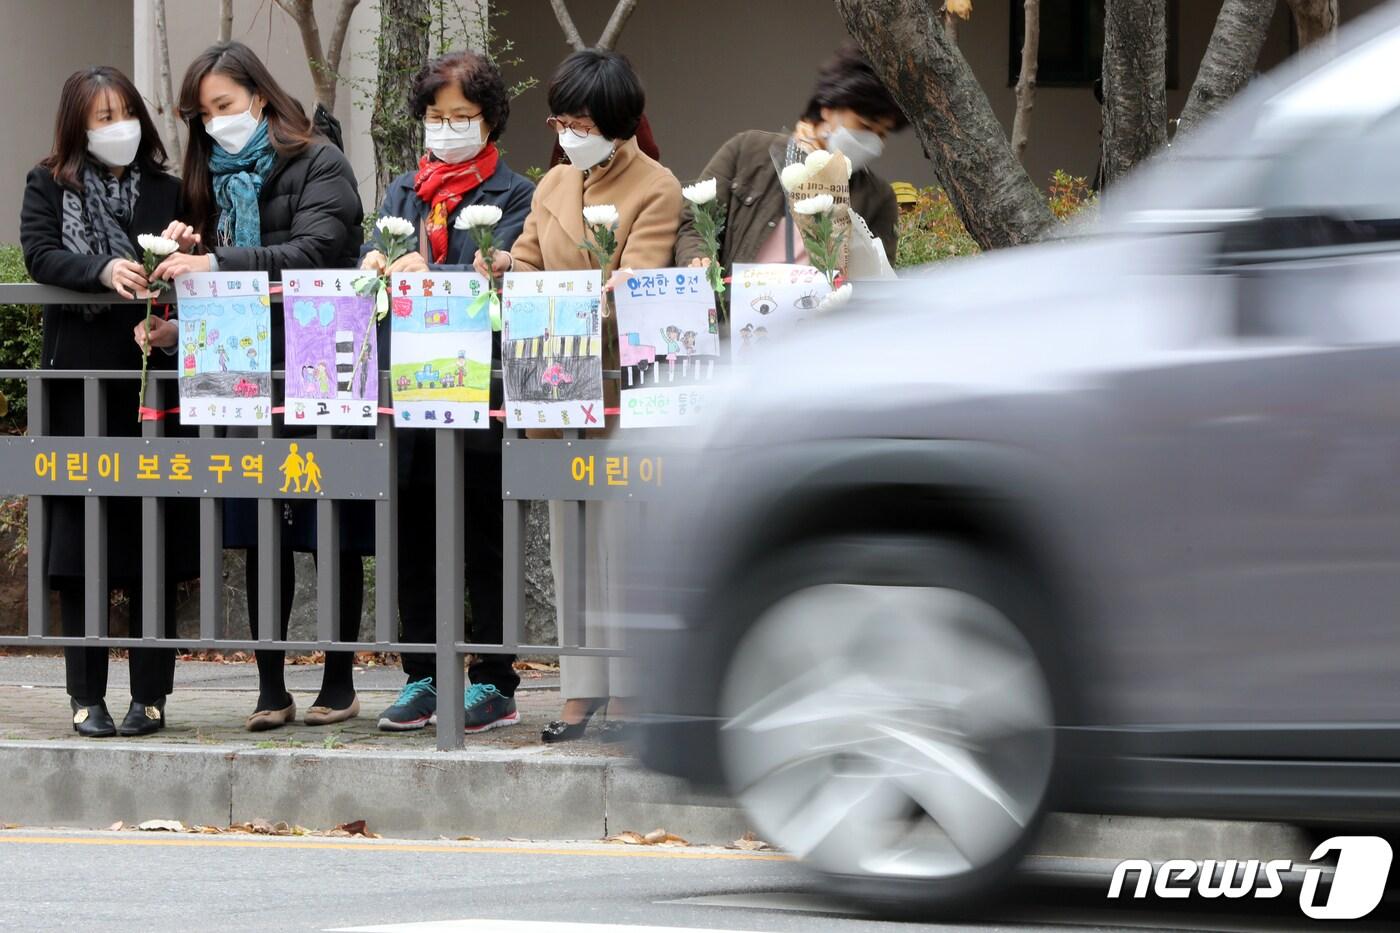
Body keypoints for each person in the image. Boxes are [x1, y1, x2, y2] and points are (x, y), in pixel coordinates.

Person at [138, 41, 365, 731]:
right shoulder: (206, 178)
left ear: (260, 97)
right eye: (203, 115)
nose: (215, 123)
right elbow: (212, 283)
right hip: (241, 375)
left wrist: (215, 261)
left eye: (224, 105)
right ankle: (271, 686)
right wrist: (176, 326)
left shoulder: (320, 160)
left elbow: (315, 250)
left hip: (320, 361)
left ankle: (339, 681)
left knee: (330, 526)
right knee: (260, 527)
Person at [475, 49, 682, 743]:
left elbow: (638, 286)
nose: (568, 134)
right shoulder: (554, 183)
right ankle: (579, 687)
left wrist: (586, 295)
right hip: (556, 385)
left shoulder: (656, 187)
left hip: (619, 387)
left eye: (581, 123)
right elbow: (530, 260)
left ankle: (630, 689)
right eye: (560, 122)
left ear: (618, 122)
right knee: (569, 540)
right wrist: (503, 265)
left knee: (622, 541)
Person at [20, 66, 198, 737]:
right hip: (79, 389)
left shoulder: (167, 189)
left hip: (151, 385)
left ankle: (150, 695)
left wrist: (184, 253)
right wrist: (100, 268)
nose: (118, 126)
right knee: (81, 546)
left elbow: (196, 268)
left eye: (126, 112)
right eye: (103, 117)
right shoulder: (49, 183)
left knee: (153, 539)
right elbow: (40, 255)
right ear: (78, 125)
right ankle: (84, 695)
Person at [360, 50, 534, 733]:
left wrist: (430, 273)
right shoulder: (404, 192)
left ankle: (494, 679)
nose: (447, 127)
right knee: (414, 535)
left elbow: (497, 275)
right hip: (412, 389)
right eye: (436, 116)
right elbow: (372, 269)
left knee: (486, 535)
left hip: (482, 390)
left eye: (462, 116)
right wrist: (378, 264)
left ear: (489, 120)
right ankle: (424, 675)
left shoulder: (515, 194)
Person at [675, 44, 906, 272]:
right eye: (865, 125)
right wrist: (698, 260)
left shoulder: (878, 198)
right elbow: (695, 221)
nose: (872, 141)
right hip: (736, 297)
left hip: (824, 299)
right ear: (829, 108)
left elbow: (878, 278)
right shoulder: (748, 150)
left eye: (882, 133)